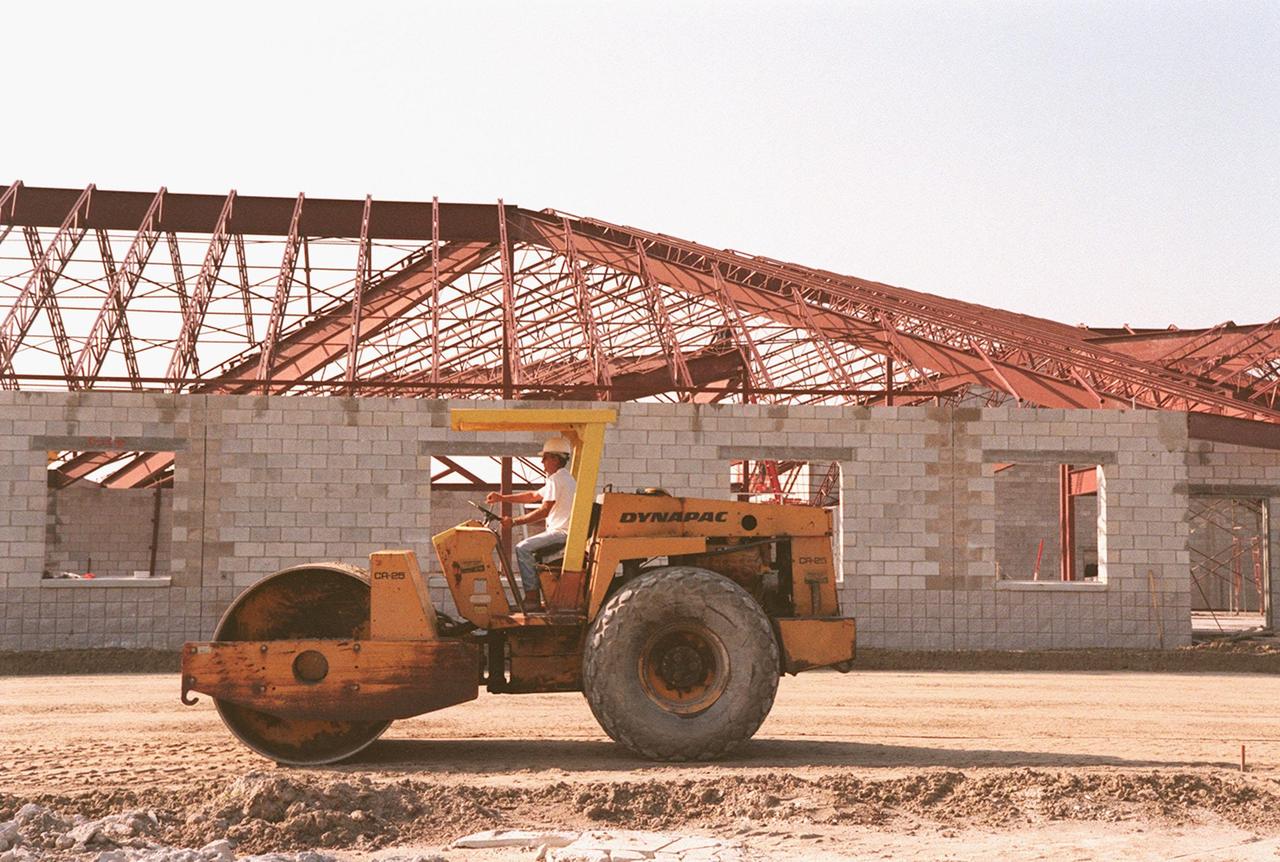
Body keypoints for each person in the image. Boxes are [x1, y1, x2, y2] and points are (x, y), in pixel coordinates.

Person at [485, 437, 576, 611]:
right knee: (531, 552)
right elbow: (533, 495)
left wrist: (514, 522)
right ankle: (541, 597)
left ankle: (532, 599)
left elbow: (544, 510)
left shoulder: (558, 479)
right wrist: (502, 497)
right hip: (562, 530)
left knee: (523, 548)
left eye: (546, 457)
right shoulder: (561, 478)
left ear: (556, 459)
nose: (542, 462)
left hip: (561, 532)